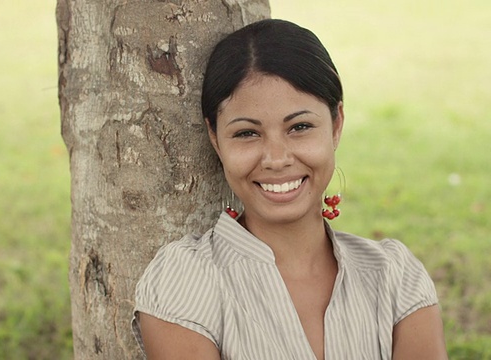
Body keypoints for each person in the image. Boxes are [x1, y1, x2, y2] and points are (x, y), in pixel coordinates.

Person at [131, 19, 447, 359]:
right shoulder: (185, 280)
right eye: (247, 133)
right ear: (214, 137)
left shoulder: (395, 277)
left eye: (300, 127)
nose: (276, 159)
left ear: (336, 124)